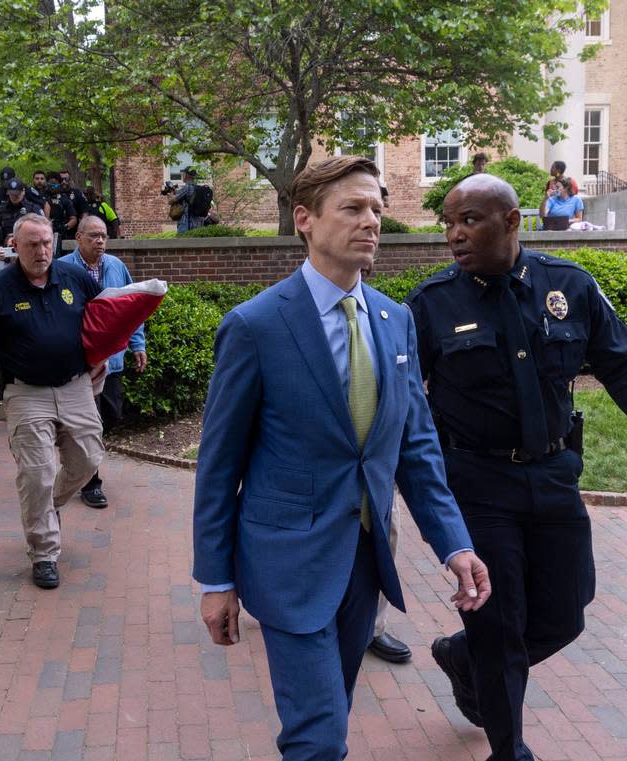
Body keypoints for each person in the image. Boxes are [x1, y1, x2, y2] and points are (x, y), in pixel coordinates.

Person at [193, 156, 491, 760]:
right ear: (305, 219)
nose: (371, 221)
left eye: (377, 208)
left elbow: (416, 447)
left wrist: (455, 544)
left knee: (333, 711)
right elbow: (219, 466)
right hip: (286, 563)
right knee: (319, 737)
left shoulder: (395, 320)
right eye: (353, 208)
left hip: (364, 563)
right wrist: (216, 580)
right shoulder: (255, 326)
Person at [407, 174, 627, 761]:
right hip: (477, 483)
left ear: (513, 220)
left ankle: (461, 658)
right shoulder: (432, 304)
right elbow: (405, 403)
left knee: (566, 613)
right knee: (498, 625)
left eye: (468, 220)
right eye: (448, 222)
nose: (453, 235)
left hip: (552, 474)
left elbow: (622, 366)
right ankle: (508, 746)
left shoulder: (568, 286)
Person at [0, 213, 105, 590]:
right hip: (25, 392)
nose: (41, 251)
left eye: (46, 243)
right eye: (31, 244)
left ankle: (49, 506)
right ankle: (44, 553)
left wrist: (101, 357)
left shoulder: (75, 278)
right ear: (15, 246)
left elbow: (103, 320)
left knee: (88, 459)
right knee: (36, 473)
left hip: (75, 386)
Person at [57, 215, 147, 508]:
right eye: (93, 236)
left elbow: (130, 310)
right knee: (91, 426)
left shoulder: (117, 267)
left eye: (103, 236)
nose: (100, 241)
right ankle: (91, 484)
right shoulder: (62, 269)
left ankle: (74, 456)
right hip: (80, 364)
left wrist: (138, 345)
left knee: (111, 416)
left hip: (113, 362)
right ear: (79, 237)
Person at [0, 178, 44, 248]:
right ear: (8, 193)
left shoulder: (33, 209)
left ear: (23, 192)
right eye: (12, 194)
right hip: (6, 249)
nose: (14, 197)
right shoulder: (1, 209)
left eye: (17, 194)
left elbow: (42, 231)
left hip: (28, 248)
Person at [173, 167, 208, 232]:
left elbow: (171, 201)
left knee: (183, 242)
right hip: (198, 224)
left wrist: (169, 194)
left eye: (183, 174)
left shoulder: (187, 187)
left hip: (186, 224)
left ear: (187, 175)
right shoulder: (199, 188)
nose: (182, 175)